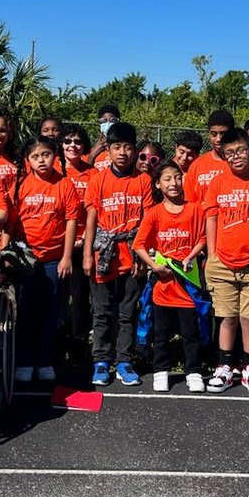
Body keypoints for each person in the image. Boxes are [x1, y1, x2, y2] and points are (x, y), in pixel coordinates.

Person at [203, 129, 249, 395]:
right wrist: (212, 256)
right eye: (230, 153)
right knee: (227, 318)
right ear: (224, 156)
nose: (236, 157)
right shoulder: (217, 184)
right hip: (223, 261)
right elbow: (211, 219)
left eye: (241, 151)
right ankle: (224, 367)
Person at [82, 122, 154, 386]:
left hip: (132, 256)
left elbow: (147, 221)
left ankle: (124, 361)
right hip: (103, 255)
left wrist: (142, 258)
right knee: (102, 312)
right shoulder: (97, 180)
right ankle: (101, 360)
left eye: (127, 147)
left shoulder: (144, 181)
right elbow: (91, 218)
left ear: (134, 151)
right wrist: (88, 255)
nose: (122, 152)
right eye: (116, 147)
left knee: (127, 312)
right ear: (108, 151)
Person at [10, 136, 81, 383]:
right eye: (35, 156)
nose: (42, 160)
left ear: (54, 156)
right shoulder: (20, 185)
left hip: (54, 259)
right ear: (28, 161)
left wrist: (66, 257)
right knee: (26, 311)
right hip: (26, 260)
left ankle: (44, 360)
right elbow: (11, 221)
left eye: (46, 154)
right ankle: (25, 361)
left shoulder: (64, 184)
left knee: (50, 312)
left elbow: (72, 220)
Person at [134, 162, 208, 393]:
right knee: (162, 332)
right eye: (167, 179)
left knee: (190, 332)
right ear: (158, 184)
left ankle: (193, 371)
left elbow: (203, 239)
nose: (173, 183)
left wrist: (191, 256)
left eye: (177, 177)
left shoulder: (195, 210)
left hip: (188, 283)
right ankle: (161, 371)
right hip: (163, 285)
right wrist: (155, 267)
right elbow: (139, 245)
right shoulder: (154, 213)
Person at [59, 123, 96, 359]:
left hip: (84, 242)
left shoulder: (93, 173)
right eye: (68, 141)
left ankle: (79, 341)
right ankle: (59, 341)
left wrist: (83, 239)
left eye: (77, 141)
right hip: (58, 243)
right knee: (59, 297)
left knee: (81, 296)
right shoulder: (53, 170)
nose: (73, 145)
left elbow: (96, 210)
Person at [184, 110, 235, 204]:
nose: (218, 139)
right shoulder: (197, 165)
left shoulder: (241, 164)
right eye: (214, 134)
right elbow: (189, 203)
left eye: (223, 133)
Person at [88, 104, 122, 169]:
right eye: (104, 121)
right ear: (99, 123)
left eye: (113, 120)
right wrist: (92, 156)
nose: (108, 124)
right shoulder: (91, 152)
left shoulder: (122, 150)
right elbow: (87, 174)